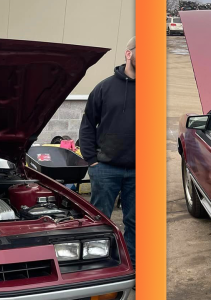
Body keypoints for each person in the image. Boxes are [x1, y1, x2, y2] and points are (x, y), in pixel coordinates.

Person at [79, 36, 136, 267]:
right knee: (101, 220)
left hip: (140, 171)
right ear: (129, 53)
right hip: (106, 169)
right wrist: (91, 160)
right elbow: (87, 124)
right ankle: (98, 266)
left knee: (136, 222)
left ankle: (132, 267)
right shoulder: (104, 88)